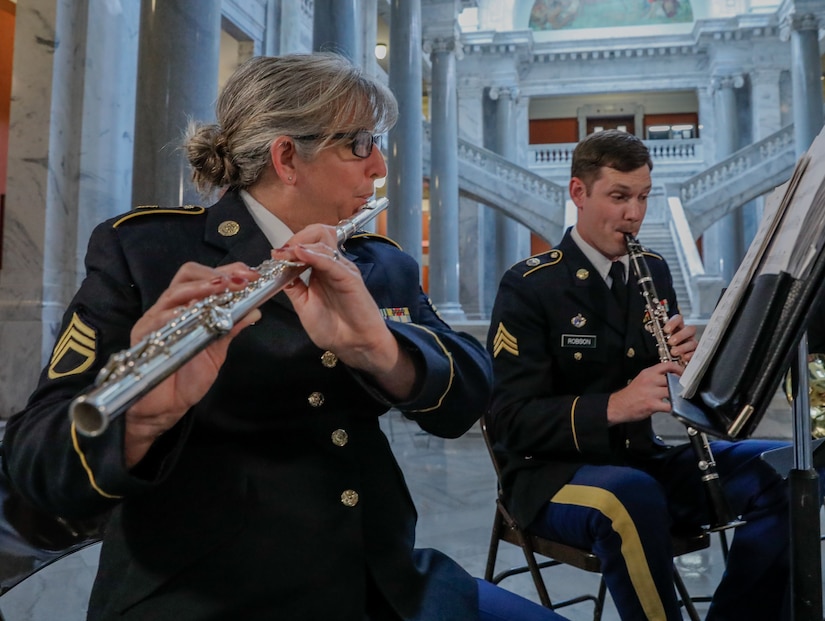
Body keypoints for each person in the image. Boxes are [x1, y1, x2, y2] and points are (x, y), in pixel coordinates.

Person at [2, 54, 570, 621]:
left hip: (383, 582)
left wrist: (383, 351)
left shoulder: (378, 265)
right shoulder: (148, 254)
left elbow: (469, 394)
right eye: (361, 144)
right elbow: (35, 464)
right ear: (287, 157)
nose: (380, 166)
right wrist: (142, 416)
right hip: (205, 596)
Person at [486, 129, 807, 620]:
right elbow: (510, 420)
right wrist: (616, 405)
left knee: (783, 469)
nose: (634, 213)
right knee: (631, 498)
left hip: (641, 461)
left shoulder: (652, 269)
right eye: (618, 197)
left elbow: (669, 388)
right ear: (579, 193)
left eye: (642, 197)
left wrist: (691, 366)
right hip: (549, 476)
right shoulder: (530, 285)